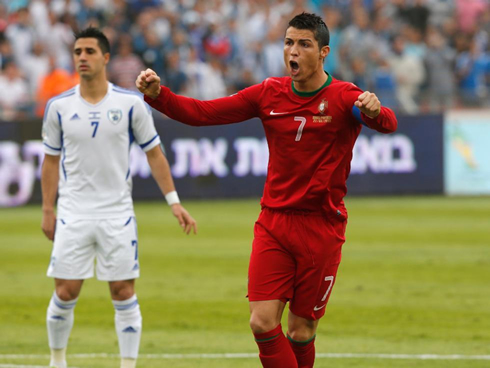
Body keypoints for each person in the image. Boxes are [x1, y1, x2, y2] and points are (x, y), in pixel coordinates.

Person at [137, 12, 397, 368]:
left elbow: (387, 124)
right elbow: (202, 113)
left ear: (323, 53)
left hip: (322, 226)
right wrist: (159, 96)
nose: (294, 51)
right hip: (274, 222)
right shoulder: (268, 93)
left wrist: (376, 110)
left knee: (302, 330)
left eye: (304, 44)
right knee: (261, 322)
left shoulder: (342, 97)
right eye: (289, 42)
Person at [41, 27, 197, 368]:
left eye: (90, 51)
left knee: (123, 293)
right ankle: (57, 361)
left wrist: (174, 202)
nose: (82, 57)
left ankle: (128, 365)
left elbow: (155, 154)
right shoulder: (58, 107)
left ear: (106, 58)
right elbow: (50, 160)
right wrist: (48, 208)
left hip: (117, 214)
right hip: (73, 212)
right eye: (78, 51)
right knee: (65, 292)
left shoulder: (130, 104)